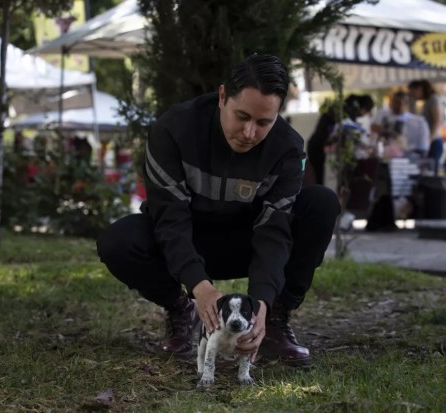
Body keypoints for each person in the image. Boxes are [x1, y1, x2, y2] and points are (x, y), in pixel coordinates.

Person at [96, 54, 341, 364]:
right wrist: (199, 286)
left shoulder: (289, 147)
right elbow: (170, 219)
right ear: (223, 96)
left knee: (321, 203)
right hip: (187, 239)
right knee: (118, 241)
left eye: (264, 122)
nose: (250, 132)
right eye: (242, 116)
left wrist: (263, 301)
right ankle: (181, 309)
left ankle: (275, 320)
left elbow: (274, 231)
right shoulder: (172, 129)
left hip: (247, 242)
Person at [371, 91, 430, 159]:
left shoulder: (412, 120)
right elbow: (373, 127)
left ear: (406, 103)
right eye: (396, 102)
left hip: (403, 154)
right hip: (383, 151)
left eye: (402, 102)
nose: (399, 105)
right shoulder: (383, 113)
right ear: (392, 102)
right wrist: (389, 129)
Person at [408, 80, 443, 174]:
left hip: (433, 142)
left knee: (430, 173)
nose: (412, 95)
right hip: (427, 143)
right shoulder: (426, 101)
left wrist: (428, 141)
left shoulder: (433, 99)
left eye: (413, 92)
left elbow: (437, 121)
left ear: (420, 89)